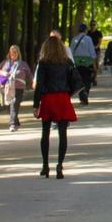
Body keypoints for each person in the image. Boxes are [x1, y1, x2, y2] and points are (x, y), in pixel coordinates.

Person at [33, 37, 84, 179]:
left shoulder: (43, 63)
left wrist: (36, 104)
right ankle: (60, 165)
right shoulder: (67, 62)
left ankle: (45, 165)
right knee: (63, 133)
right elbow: (75, 80)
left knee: (45, 132)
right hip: (62, 98)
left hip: (48, 98)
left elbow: (39, 85)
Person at [0, 45, 33, 132]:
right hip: (7, 87)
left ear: (18, 53)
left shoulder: (22, 64)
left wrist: (34, 82)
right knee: (8, 105)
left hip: (18, 87)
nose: (13, 54)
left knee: (14, 104)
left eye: (15, 52)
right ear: (9, 53)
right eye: (11, 52)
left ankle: (12, 124)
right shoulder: (5, 63)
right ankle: (16, 121)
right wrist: (3, 73)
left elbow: (29, 75)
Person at [70, 24, 97, 105]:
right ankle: (85, 93)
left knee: (79, 80)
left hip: (77, 62)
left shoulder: (74, 39)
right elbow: (92, 52)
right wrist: (94, 63)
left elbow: (71, 52)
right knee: (87, 80)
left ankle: (82, 97)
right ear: (85, 30)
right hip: (87, 62)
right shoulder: (88, 39)